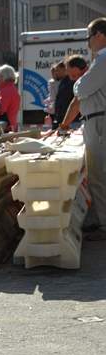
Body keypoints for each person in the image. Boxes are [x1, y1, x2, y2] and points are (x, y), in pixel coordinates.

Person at [74, 18, 106, 239]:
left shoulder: (103, 58)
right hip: (97, 119)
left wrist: (78, 83)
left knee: (98, 174)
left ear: (99, 35)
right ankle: (99, 218)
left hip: (99, 121)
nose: (88, 44)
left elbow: (82, 88)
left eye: (89, 38)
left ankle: (104, 223)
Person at [59, 55, 88, 131]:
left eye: (68, 69)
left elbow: (75, 104)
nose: (68, 73)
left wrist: (64, 126)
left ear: (76, 68)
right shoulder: (83, 80)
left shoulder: (85, 81)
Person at [0, 64, 21, 132]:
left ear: (4, 77)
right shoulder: (13, 88)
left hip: (6, 127)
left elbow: (2, 109)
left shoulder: (6, 90)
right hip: (12, 124)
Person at [53, 61, 74, 129]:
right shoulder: (63, 82)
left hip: (70, 121)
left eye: (58, 70)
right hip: (63, 119)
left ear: (65, 69)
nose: (56, 72)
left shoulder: (70, 81)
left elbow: (66, 101)